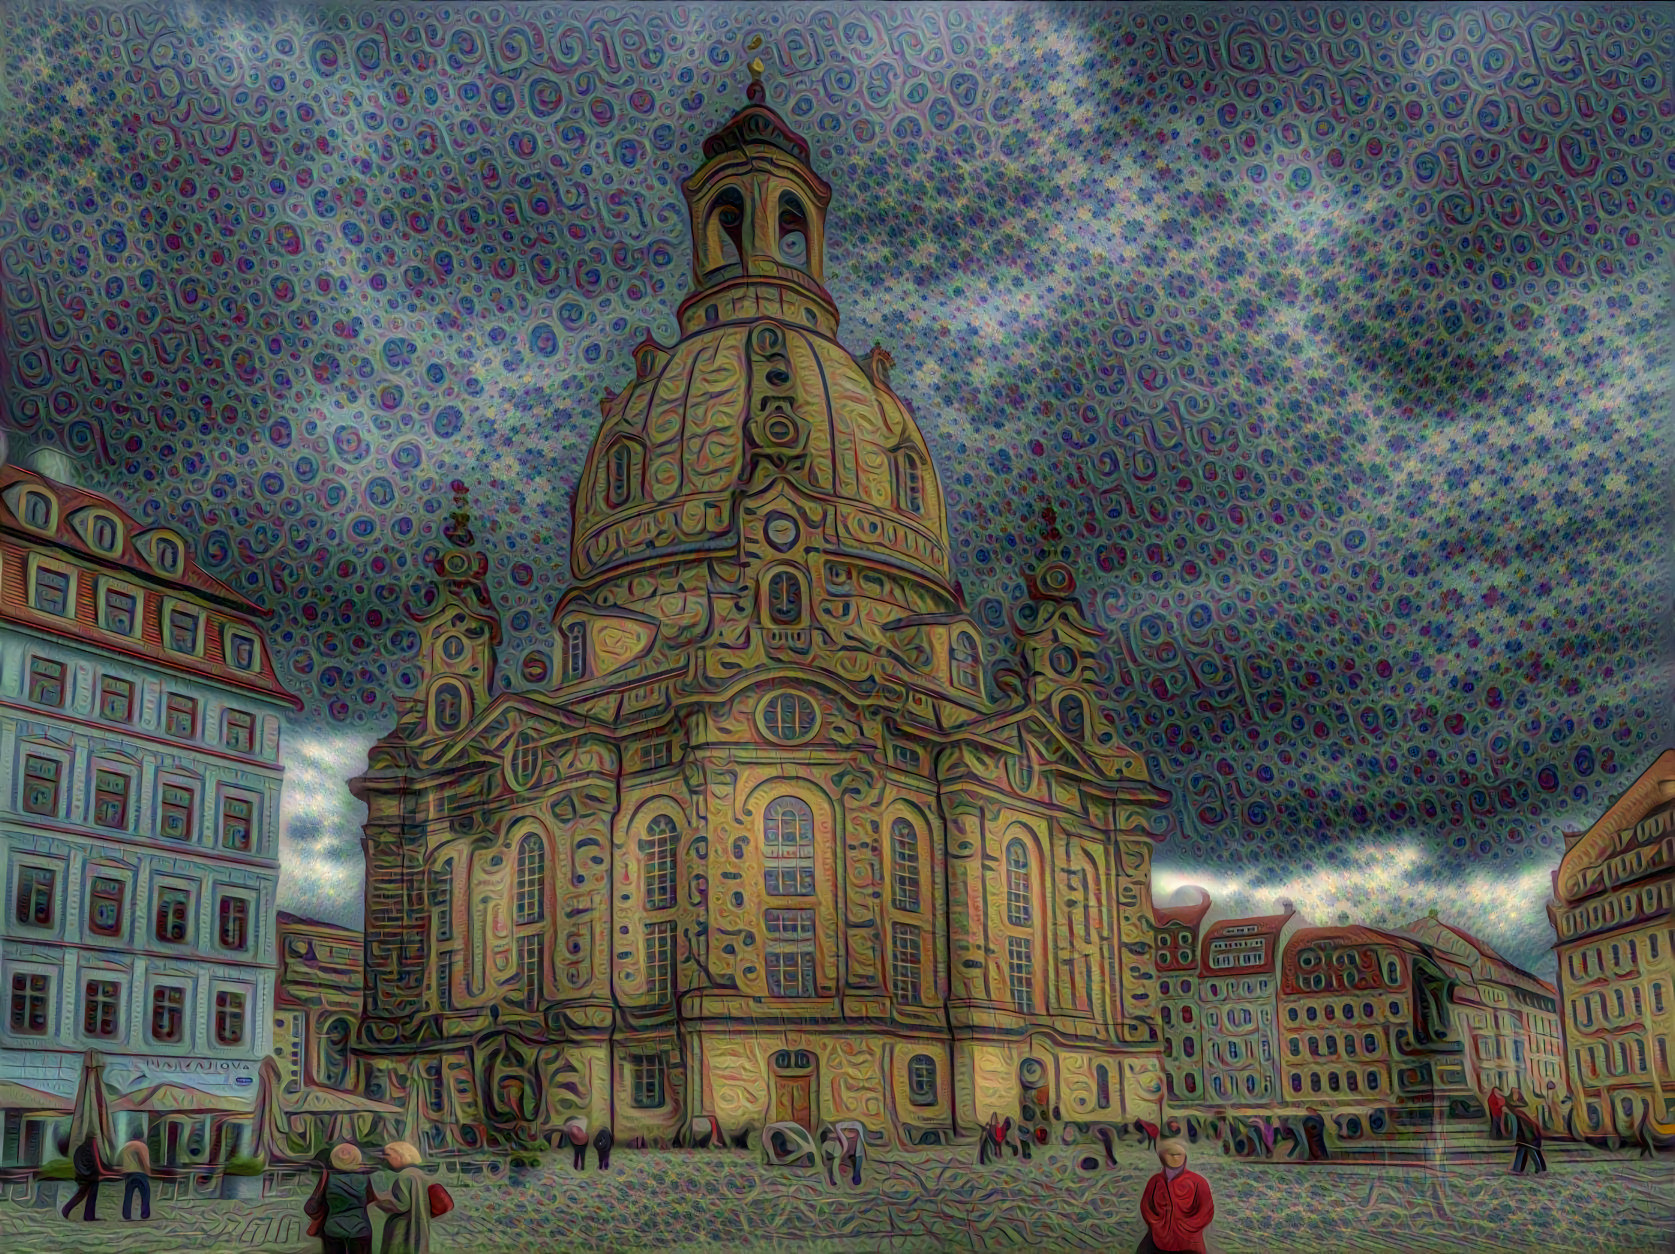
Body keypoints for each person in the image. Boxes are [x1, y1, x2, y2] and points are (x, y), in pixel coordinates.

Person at [1136, 1138, 1215, 1254]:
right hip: (1158, 1241)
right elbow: (1146, 1207)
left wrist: (1187, 1228)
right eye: (1170, 1154)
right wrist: (1157, 1225)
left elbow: (1206, 1211)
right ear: (1162, 1157)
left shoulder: (1198, 1182)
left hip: (1189, 1244)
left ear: (1185, 1156)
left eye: (1179, 1154)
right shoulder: (1155, 1181)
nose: (1175, 1157)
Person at [304, 1143, 376, 1254]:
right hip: (361, 1229)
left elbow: (311, 1207)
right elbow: (371, 1198)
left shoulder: (328, 1177)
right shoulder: (365, 1176)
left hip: (333, 1228)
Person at [372, 1141, 432, 1254]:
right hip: (419, 1225)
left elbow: (401, 1205)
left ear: (401, 1156)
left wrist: (379, 1202)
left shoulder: (404, 1176)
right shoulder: (420, 1174)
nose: (385, 1159)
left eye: (388, 1155)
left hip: (403, 1228)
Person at [60, 1135, 103, 1222]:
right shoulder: (91, 1150)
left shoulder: (80, 1149)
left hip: (83, 1175)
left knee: (82, 1194)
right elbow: (94, 1162)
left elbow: (77, 1162)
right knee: (86, 1195)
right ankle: (67, 1210)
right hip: (90, 1176)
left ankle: (86, 1215)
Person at [1508, 1094, 1547, 1175]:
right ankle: (1516, 1169)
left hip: (1528, 1136)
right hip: (1526, 1135)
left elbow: (1520, 1125)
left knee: (1530, 1150)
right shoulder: (1521, 1112)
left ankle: (1538, 1168)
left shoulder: (1518, 1112)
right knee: (1523, 1150)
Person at [116, 1139, 151, 1222]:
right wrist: (148, 1172)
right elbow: (144, 1160)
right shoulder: (143, 1146)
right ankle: (144, 1214)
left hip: (128, 1173)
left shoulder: (125, 1147)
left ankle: (126, 1215)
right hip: (140, 1173)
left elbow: (118, 1160)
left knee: (128, 1194)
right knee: (145, 1193)